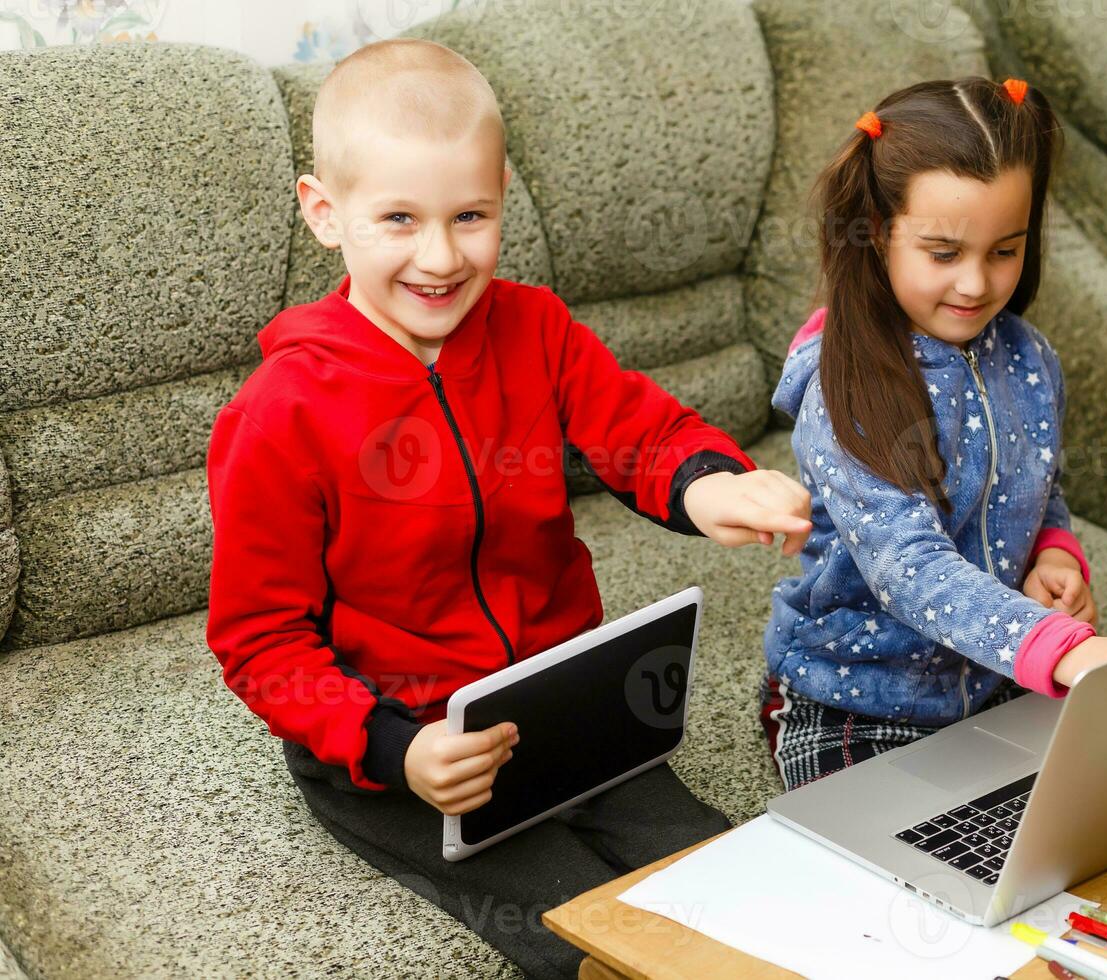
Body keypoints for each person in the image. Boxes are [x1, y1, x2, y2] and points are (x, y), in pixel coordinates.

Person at [205, 38, 811, 980]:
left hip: (565, 704)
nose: (442, 257)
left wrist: (712, 482)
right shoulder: (278, 414)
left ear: (503, 196)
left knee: (728, 882)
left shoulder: (537, 329)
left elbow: (639, 432)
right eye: (399, 218)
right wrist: (395, 752)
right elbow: (261, 639)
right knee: (584, 933)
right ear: (326, 214)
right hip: (401, 744)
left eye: (471, 215)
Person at [760, 77, 1107, 792]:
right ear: (877, 232)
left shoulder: (1029, 357)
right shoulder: (844, 386)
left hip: (996, 677)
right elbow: (908, 568)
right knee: (908, 879)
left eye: (1004, 250)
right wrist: (1061, 649)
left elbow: (1039, 481)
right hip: (858, 700)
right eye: (943, 253)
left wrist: (1054, 553)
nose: (976, 284)